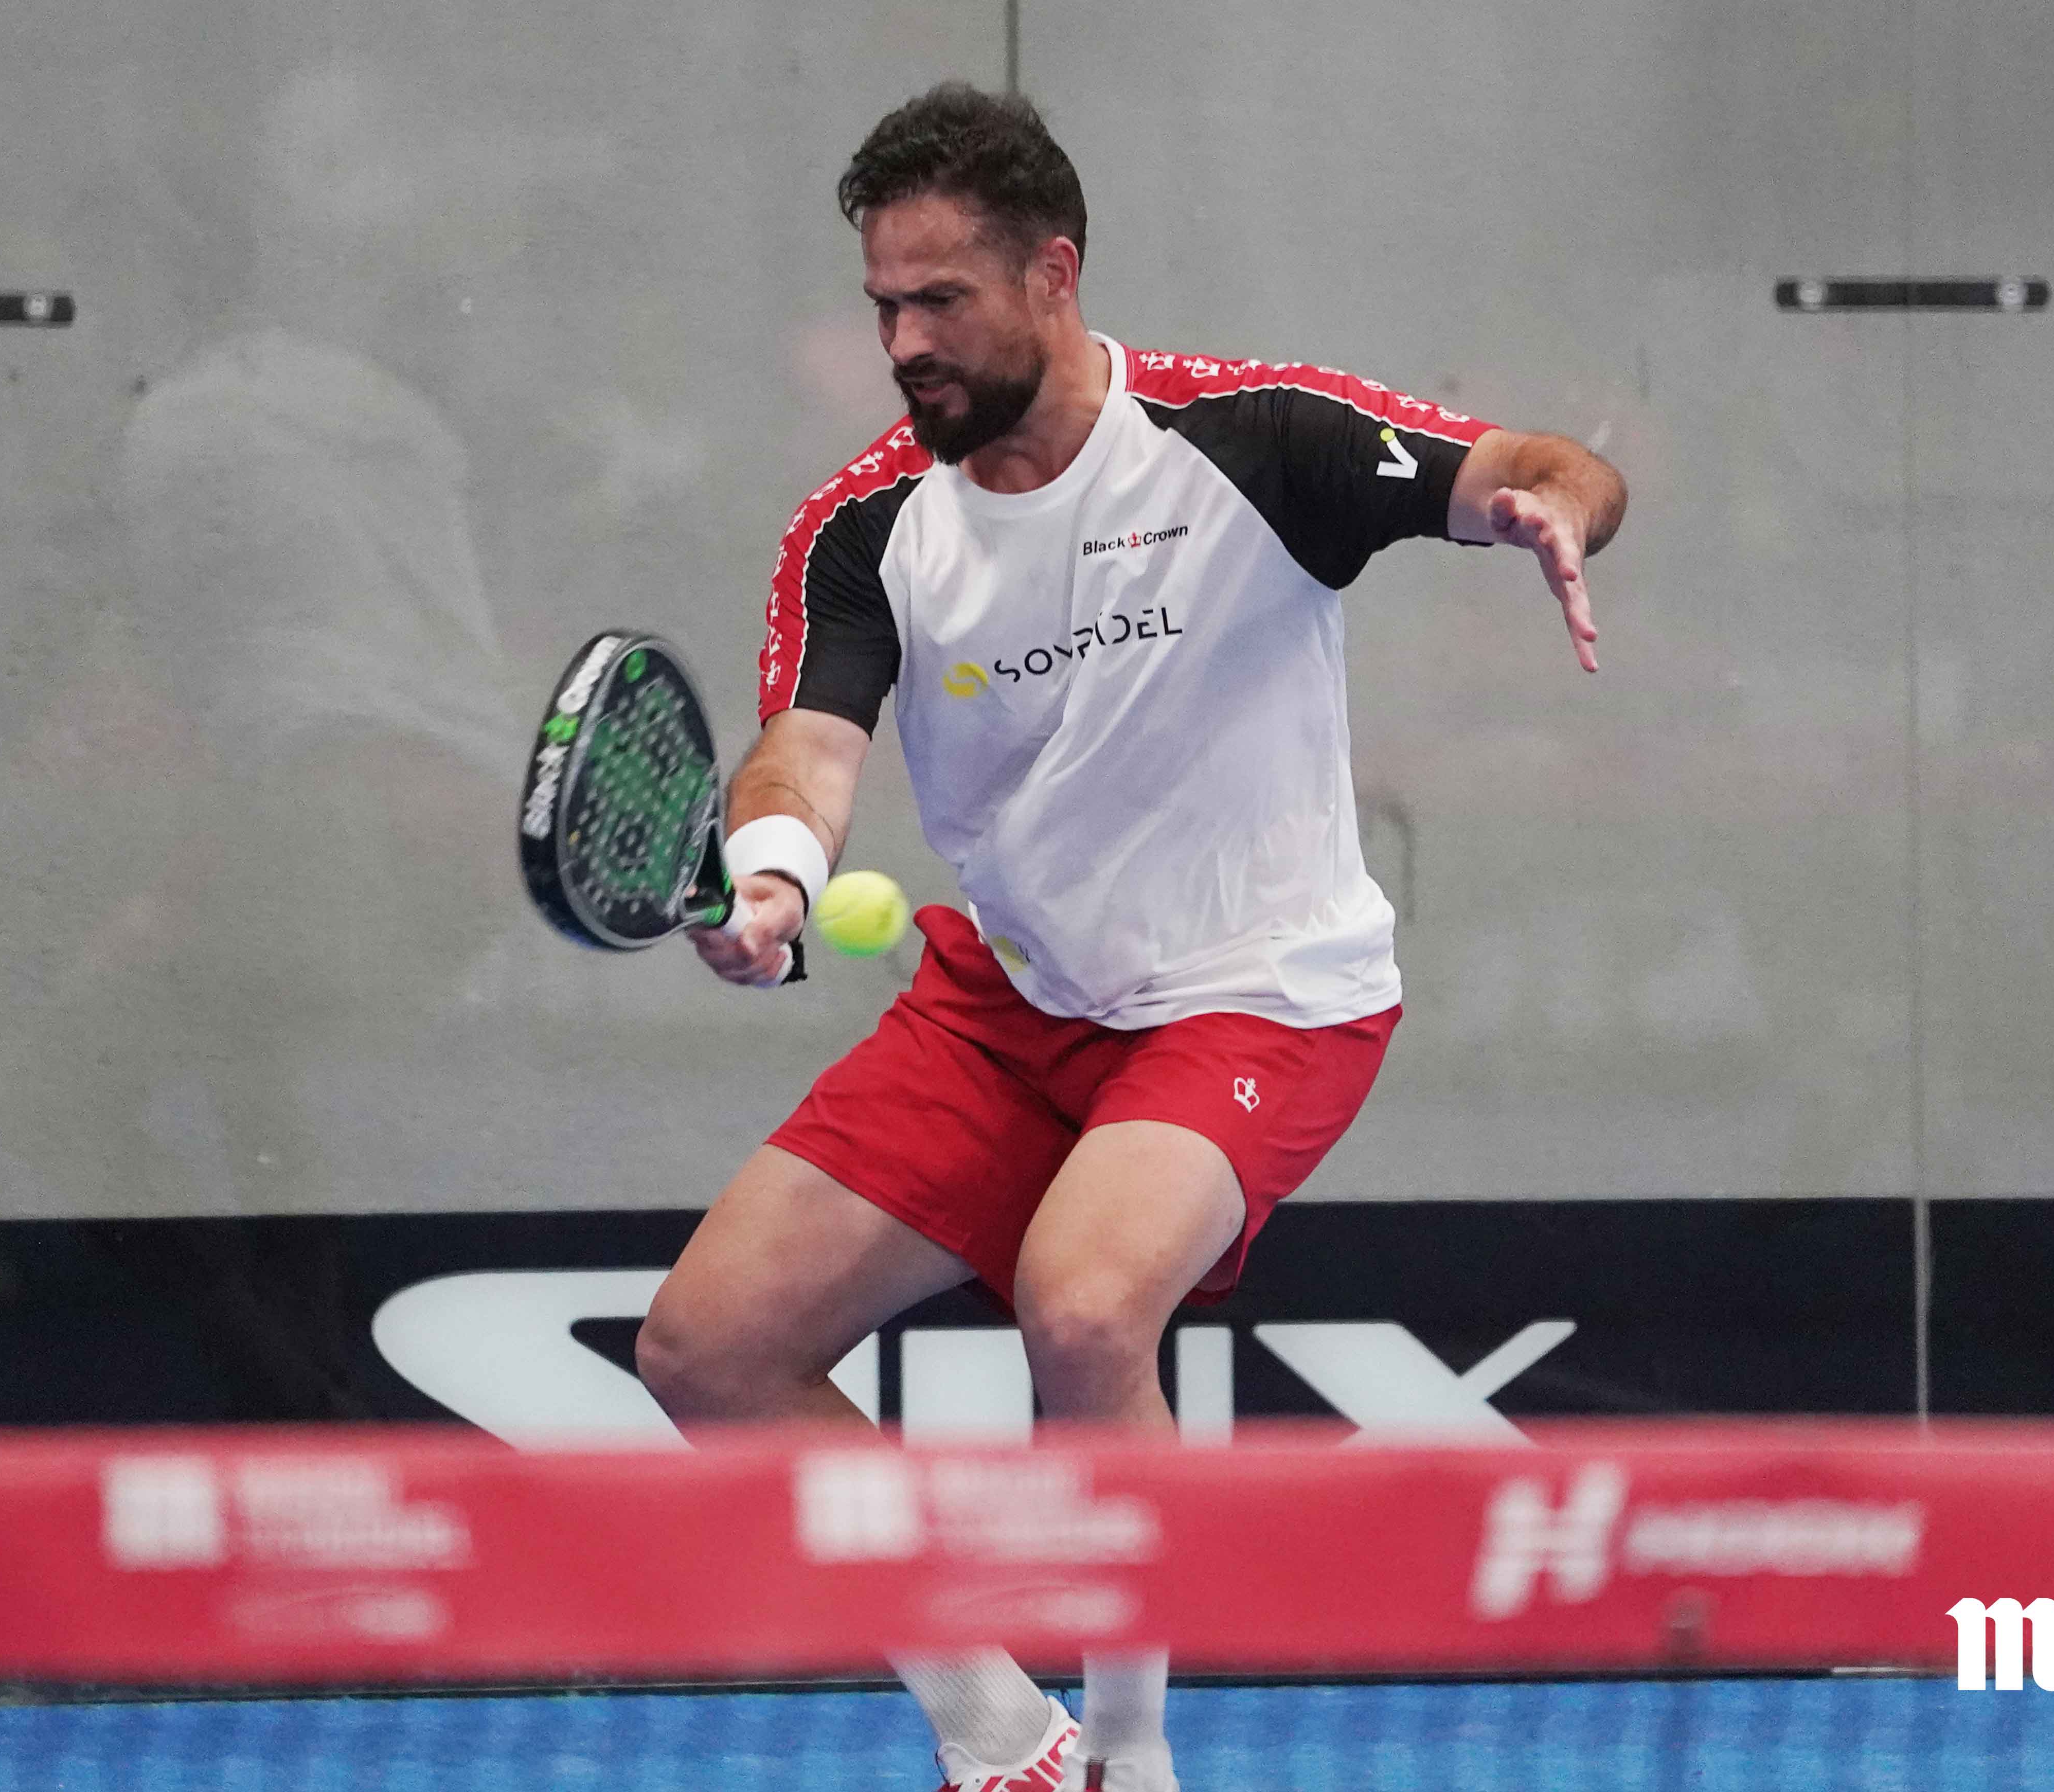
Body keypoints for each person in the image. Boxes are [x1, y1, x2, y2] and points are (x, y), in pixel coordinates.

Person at [635, 81, 1626, 1792]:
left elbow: (1538, 465)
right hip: (1013, 999)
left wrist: (1557, 511)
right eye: (883, 304)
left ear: (1053, 273)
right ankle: (999, 1736)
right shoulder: (865, 526)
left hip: (1259, 992)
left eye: (941, 298)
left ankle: (1132, 1759)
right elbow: (807, 744)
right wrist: (776, 871)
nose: (904, 342)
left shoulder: (1254, 439)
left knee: (1085, 1306)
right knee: (706, 1347)